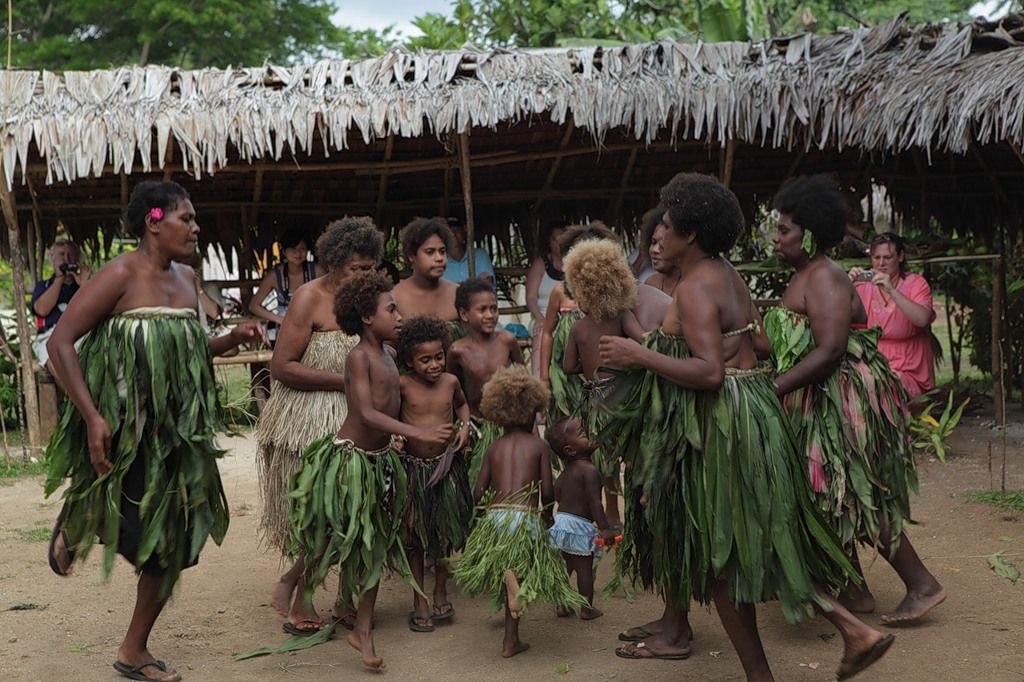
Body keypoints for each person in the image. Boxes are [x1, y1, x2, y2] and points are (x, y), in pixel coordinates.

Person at [598, 172, 894, 680]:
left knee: (727, 558)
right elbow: (760, 346)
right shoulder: (726, 273)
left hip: (725, 427)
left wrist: (639, 354)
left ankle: (827, 644)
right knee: (755, 545)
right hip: (753, 411)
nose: (659, 234)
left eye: (666, 225)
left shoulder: (692, 288)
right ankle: (843, 636)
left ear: (689, 233)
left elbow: (709, 373)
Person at [43, 181, 266, 682]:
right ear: (154, 220)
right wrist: (93, 417)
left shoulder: (188, 280)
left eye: (195, 219)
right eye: (185, 219)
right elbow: (60, 344)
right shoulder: (118, 274)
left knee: (174, 540)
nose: (195, 227)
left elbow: (187, 350)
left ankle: (133, 649)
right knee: (137, 522)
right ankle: (82, 513)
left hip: (175, 438)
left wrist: (231, 337)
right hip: (122, 429)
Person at [765, 175, 945, 627]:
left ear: (808, 234)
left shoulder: (823, 277)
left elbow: (829, 349)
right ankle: (854, 588)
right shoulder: (810, 274)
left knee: (855, 496)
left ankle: (921, 584)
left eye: (784, 230)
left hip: (840, 400)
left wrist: (775, 389)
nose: (776, 237)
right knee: (829, 494)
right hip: (821, 395)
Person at [287, 272, 452, 670]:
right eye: (390, 309)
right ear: (365, 316)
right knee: (328, 534)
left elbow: (399, 402)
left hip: (379, 465)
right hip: (350, 462)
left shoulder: (393, 356)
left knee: (375, 547)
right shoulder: (358, 356)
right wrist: (416, 430)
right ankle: (293, 586)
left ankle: (363, 629)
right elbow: (364, 412)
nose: (399, 316)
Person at [257, 217, 382, 635]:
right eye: (355, 268)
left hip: (364, 418)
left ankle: (346, 598)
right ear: (333, 261)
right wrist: (346, 382)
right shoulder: (309, 298)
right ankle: (303, 590)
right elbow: (282, 367)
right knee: (325, 511)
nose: (364, 276)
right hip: (314, 420)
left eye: (370, 268)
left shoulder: (376, 299)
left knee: (360, 508)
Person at [453, 366, 587, 658]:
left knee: (507, 568)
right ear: (532, 411)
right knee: (526, 569)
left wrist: (479, 519)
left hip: (496, 518)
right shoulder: (538, 446)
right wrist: (548, 513)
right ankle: (514, 628)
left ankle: (510, 636)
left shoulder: (494, 448)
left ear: (497, 413)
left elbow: (478, 492)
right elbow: (547, 491)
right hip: (524, 516)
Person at [395, 315, 473, 633]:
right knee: (414, 538)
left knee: (441, 536)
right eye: (424, 359)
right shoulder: (402, 384)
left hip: (445, 469)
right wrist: (396, 439)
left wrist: (465, 427)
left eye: (438, 356)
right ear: (409, 361)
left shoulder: (451, 382)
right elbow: (391, 417)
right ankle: (419, 597)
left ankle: (440, 590)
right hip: (414, 471)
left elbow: (463, 406)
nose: (434, 365)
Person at [447, 277, 525, 484]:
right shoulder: (457, 351)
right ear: (464, 314)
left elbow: (524, 384)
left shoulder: (507, 341)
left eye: (494, 308)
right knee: (477, 483)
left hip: (507, 424)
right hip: (475, 428)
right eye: (482, 310)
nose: (490, 315)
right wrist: (461, 425)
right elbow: (452, 392)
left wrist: (529, 427)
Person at [547, 415, 618, 620]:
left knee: (566, 566)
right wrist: (605, 529)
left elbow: (556, 493)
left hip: (561, 524)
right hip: (578, 526)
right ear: (570, 450)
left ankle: (561, 604)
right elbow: (595, 503)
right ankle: (586, 608)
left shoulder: (565, 473)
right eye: (583, 434)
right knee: (584, 569)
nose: (589, 434)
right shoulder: (589, 471)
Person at [849, 232, 936, 399]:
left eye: (887, 257)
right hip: (874, 364)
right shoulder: (862, 286)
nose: (881, 264)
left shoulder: (916, 283)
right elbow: (840, 320)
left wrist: (891, 290)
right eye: (876, 258)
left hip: (910, 367)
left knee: (889, 386)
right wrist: (847, 285)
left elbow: (923, 319)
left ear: (901, 256)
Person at [248, 228, 319, 344]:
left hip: (313, 327)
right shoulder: (275, 276)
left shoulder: (316, 271)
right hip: (285, 329)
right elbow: (253, 306)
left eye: (302, 249)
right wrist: (280, 319)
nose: (298, 253)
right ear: (284, 251)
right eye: (293, 249)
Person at [31, 238, 91, 366]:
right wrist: (59, 277)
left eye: (71, 255)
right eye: (61, 254)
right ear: (52, 257)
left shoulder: (84, 286)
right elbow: (42, 310)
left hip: (80, 335)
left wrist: (84, 285)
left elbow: (95, 311)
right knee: (57, 361)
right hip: (50, 336)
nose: (66, 258)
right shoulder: (44, 286)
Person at [392, 217, 459, 324]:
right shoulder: (395, 298)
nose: (439, 258)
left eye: (442, 251)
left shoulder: (458, 295)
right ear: (411, 255)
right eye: (430, 252)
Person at [525, 220, 567, 374]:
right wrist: (540, 318)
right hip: (541, 315)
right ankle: (539, 380)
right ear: (549, 242)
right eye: (554, 240)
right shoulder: (540, 264)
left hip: (567, 317)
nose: (558, 244)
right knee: (542, 332)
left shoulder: (574, 264)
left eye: (562, 239)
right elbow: (530, 297)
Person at [443, 217, 495, 283]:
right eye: (448, 232)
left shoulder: (480, 255)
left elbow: (487, 285)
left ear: (465, 230)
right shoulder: (441, 261)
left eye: (456, 230)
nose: (453, 235)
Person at [628, 207, 661, 282]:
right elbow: (624, 280)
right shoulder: (636, 254)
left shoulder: (666, 255)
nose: (642, 227)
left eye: (645, 224)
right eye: (642, 224)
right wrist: (640, 258)